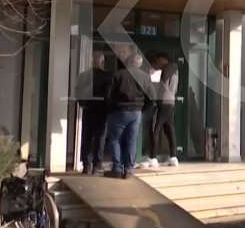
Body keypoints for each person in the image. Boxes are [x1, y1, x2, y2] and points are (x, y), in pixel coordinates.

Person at [104, 51, 152, 179]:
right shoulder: (145, 77)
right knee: (131, 140)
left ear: (128, 62)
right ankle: (129, 169)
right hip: (136, 112)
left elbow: (108, 95)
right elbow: (151, 97)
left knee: (115, 139)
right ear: (139, 64)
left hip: (119, 110)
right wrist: (141, 109)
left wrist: (111, 109)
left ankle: (117, 169)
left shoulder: (118, 74)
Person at [75, 52, 113, 175]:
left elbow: (78, 91)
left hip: (88, 109)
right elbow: (109, 94)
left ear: (91, 61)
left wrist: (83, 103)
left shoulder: (84, 76)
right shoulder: (108, 76)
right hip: (102, 110)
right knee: (100, 137)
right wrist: (110, 108)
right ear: (102, 62)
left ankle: (86, 165)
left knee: (87, 137)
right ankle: (97, 164)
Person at [144, 52, 180, 167]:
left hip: (163, 102)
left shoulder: (166, 70)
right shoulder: (175, 70)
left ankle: (153, 157)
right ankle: (173, 157)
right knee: (170, 129)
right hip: (171, 102)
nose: (156, 64)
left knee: (155, 128)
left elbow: (161, 86)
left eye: (157, 61)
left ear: (164, 59)